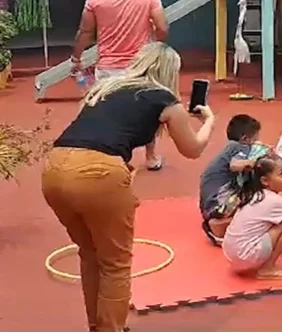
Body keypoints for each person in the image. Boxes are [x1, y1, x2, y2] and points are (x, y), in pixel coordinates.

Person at [42, 42, 215, 332]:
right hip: (99, 173)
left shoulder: (105, 89)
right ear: (170, 71)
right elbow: (193, 149)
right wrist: (208, 120)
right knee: (115, 263)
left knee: (90, 253)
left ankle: (97, 325)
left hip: (54, 168)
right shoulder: (164, 99)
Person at [71, 0, 169, 171]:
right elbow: (162, 27)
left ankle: (113, 158)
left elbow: (85, 31)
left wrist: (76, 58)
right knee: (148, 111)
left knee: (107, 113)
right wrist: (156, 47)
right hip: (141, 66)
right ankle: (151, 157)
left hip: (108, 68)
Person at [223, 153, 282, 280]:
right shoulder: (275, 200)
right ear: (265, 181)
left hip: (231, 254)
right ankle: (267, 268)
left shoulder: (255, 194)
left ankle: (267, 257)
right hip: (244, 256)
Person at [199, 114, 262, 246]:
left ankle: (219, 223)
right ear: (245, 139)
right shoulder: (241, 147)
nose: (257, 141)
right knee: (258, 200)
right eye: (256, 137)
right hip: (218, 203)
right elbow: (235, 165)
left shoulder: (231, 147)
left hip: (210, 203)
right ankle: (219, 225)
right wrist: (255, 163)